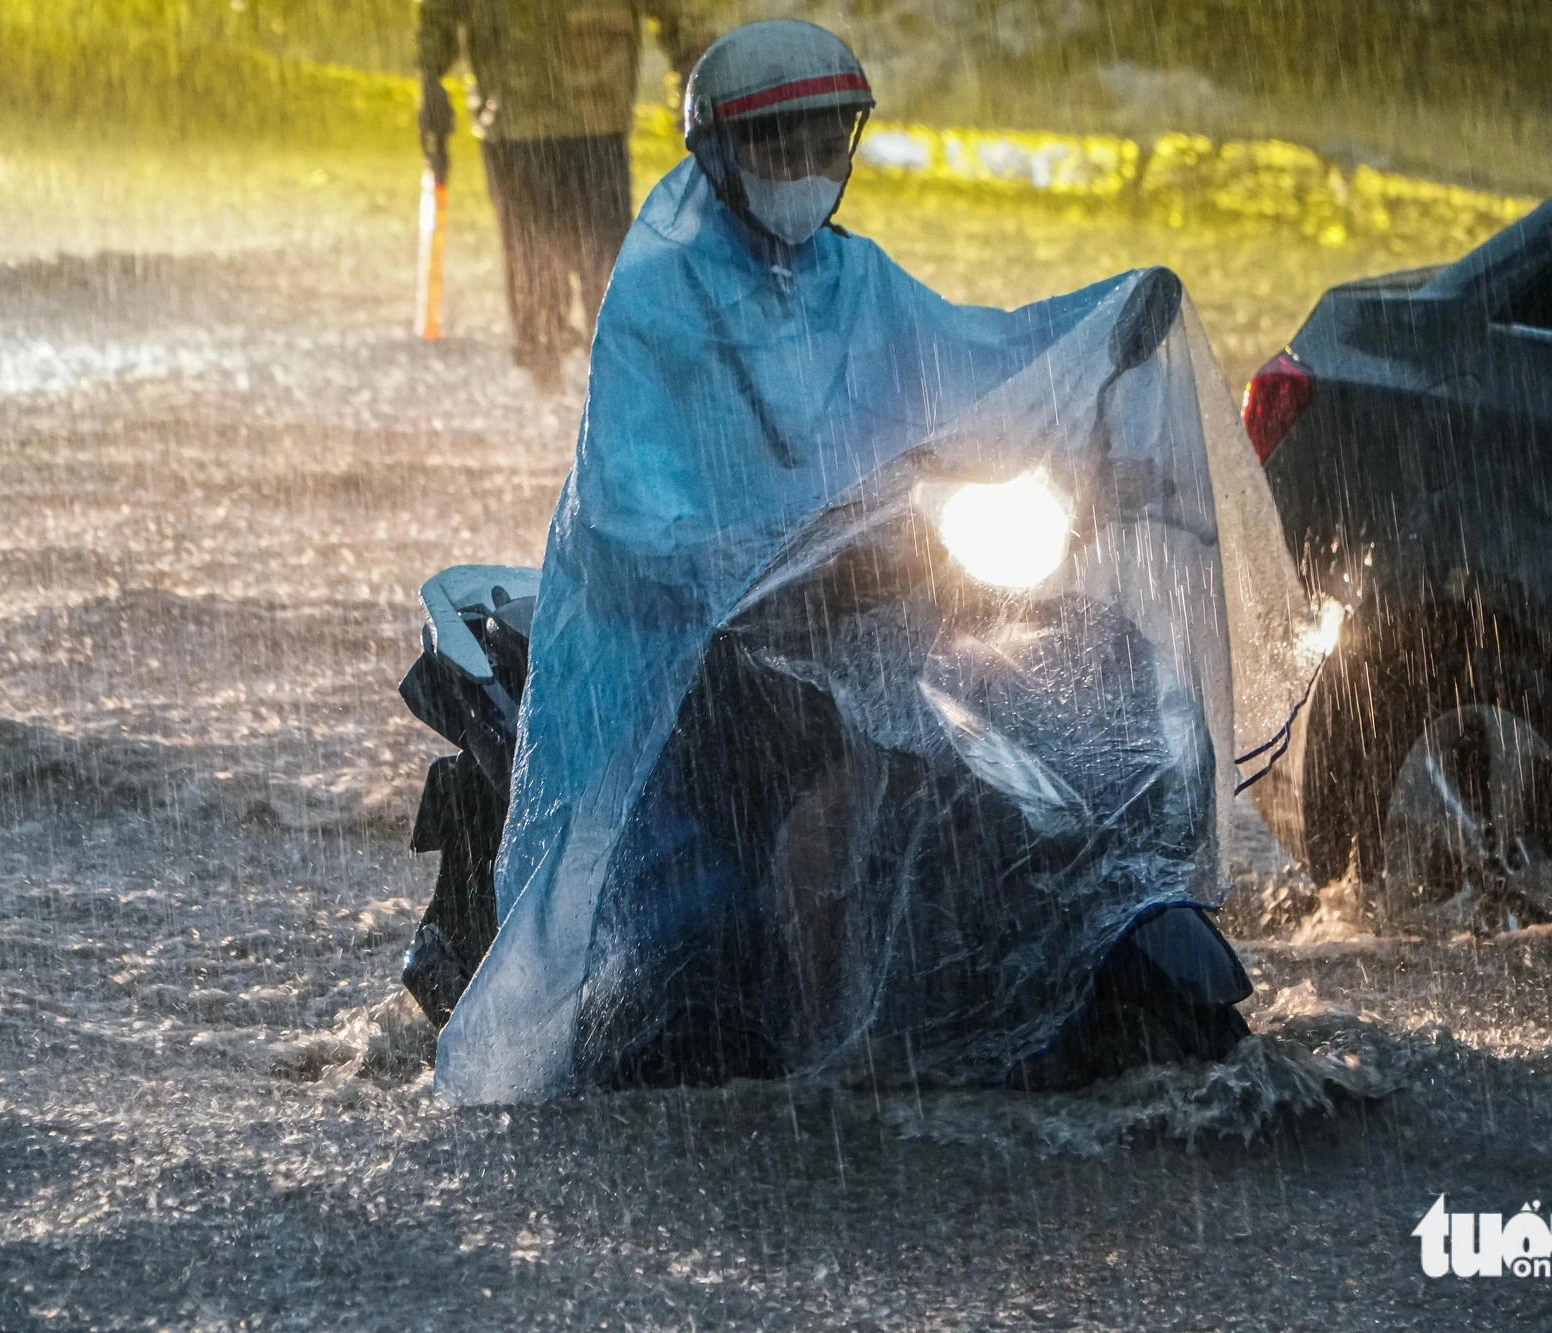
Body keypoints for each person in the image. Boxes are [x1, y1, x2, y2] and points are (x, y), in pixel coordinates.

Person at [428, 20, 1247, 1107]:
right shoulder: (658, 301)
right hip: (697, 638)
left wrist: (1096, 359)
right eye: (778, 144)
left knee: (1023, 699)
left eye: (827, 139)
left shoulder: (855, 280)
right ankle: (830, 1061)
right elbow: (632, 503)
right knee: (825, 796)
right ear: (718, 152)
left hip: (853, 604)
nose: (805, 170)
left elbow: (973, 358)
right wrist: (739, 563)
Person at [417, 0, 711, 391]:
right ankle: (547, 387)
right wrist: (429, 77)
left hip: (587, 113)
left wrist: (695, 66)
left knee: (598, 264)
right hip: (522, 115)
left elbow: (677, 12)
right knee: (539, 265)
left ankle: (605, 389)